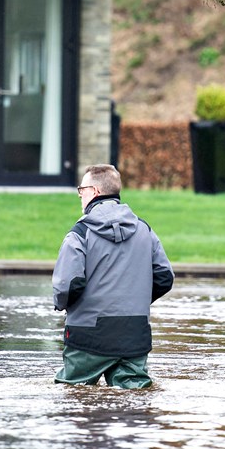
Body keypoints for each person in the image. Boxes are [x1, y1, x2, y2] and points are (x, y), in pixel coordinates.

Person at [52, 164, 174, 389]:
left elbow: (67, 286)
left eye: (82, 190)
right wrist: (134, 299)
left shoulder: (79, 234)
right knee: (134, 400)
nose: (80, 196)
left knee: (71, 395)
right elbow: (165, 277)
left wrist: (61, 306)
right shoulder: (144, 230)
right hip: (134, 333)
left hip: (87, 335)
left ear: (94, 192)